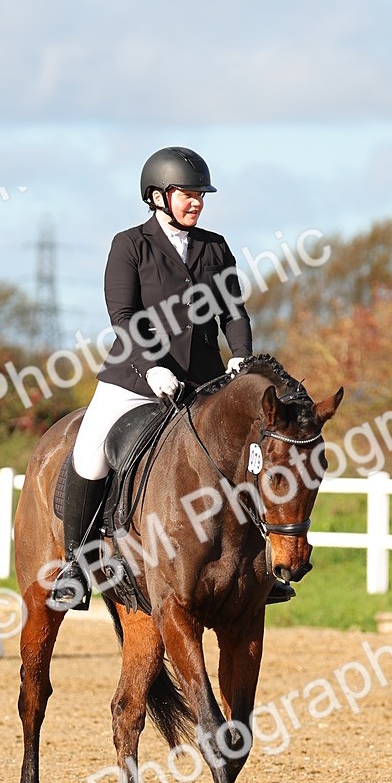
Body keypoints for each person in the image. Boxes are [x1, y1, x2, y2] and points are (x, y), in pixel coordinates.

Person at [51, 145, 253, 610]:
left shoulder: (214, 247)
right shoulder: (131, 245)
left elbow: (233, 311)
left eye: (202, 194)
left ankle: (254, 565)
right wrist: (152, 365)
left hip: (202, 385)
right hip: (134, 378)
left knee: (244, 454)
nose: (197, 201)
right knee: (89, 453)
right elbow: (123, 314)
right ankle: (76, 567)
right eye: (188, 193)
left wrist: (240, 359)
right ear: (159, 196)